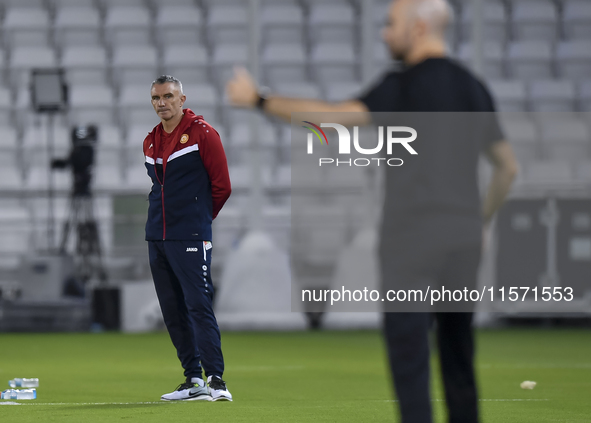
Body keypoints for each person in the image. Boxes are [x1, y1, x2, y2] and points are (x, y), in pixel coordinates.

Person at [226, 0, 518, 421]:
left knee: (409, 358)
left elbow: (328, 120)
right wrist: (481, 222)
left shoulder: (400, 87)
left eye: (390, 23)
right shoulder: (473, 87)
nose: (384, 33)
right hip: (462, 239)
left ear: (418, 27)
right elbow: (507, 167)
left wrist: (259, 99)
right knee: (459, 357)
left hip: (410, 240)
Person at [144, 75, 233, 401]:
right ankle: (193, 379)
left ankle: (216, 380)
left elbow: (222, 186)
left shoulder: (203, 135)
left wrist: (198, 222)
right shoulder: (151, 140)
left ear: (182, 99)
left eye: (168, 96)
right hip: (157, 237)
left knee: (198, 306)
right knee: (173, 310)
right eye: (156, 98)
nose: (162, 103)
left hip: (190, 236)